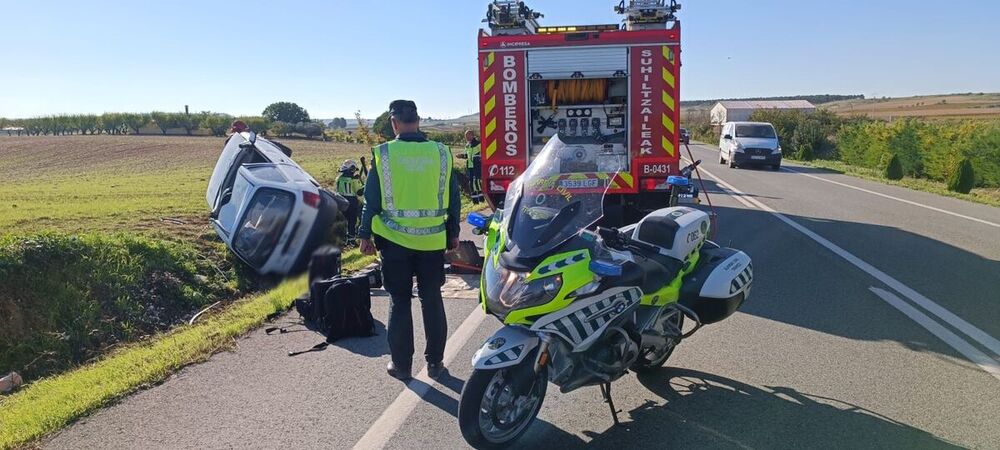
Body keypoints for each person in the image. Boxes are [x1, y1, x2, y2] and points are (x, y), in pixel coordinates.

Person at [358, 100, 460, 381]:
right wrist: (453, 233)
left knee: (400, 300)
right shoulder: (441, 153)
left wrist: (364, 234)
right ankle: (435, 364)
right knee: (432, 299)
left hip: (394, 242)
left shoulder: (384, 154)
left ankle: (402, 366)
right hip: (432, 241)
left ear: (394, 123)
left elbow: (371, 201)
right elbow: (453, 197)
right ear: (418, 120)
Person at [336, 160, 364, 239]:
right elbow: (359, 192)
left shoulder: (338, 178)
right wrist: (365, 186)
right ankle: (351, 238)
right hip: (352, 202)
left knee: (344, 220)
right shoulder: (353, 180)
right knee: (352, 220)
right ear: (352, 169)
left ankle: (343, 237)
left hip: (341, 201)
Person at [463, 130, 484, 204]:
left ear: (472, 135)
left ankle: (481, 199)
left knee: (477, 182)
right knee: (471, 183)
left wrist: (478, 159)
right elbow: (466, 155)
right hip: (470, 166)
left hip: (477, 166)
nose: (466, 137)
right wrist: (461, 156)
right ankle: (475, 201)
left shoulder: (478, 144)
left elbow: (483, 154)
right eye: (465, 136)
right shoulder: (467, 145)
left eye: (468, 136)